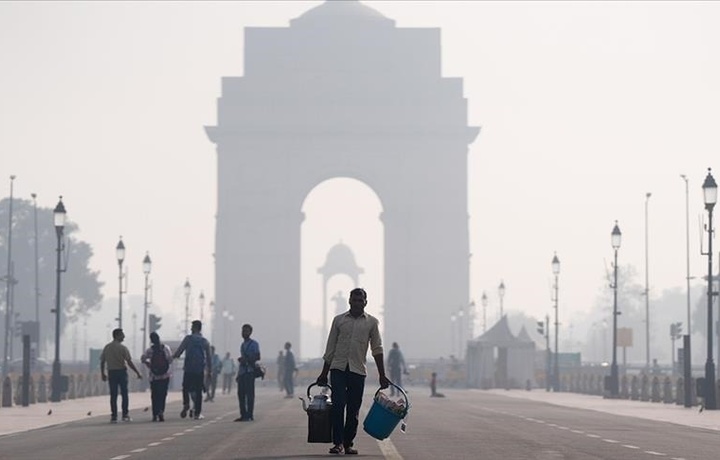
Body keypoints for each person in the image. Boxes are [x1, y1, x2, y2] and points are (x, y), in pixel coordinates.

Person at [316, 287, 389, 455]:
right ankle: (338, 443)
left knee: (353, 408)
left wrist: (382, 375)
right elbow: (330, 348)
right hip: (338, 368)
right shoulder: (338, 320)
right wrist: (323, 373)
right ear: (349, 301)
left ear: (365, 302)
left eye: (360, 300)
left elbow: (377, 349)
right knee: (338, 405)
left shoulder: (372, 322)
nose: (357, 303)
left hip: (358, 370)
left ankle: (348, 442)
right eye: (354, 300)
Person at [100, 328, 142, 423]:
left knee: (113, 395)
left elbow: (102, 361)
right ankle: (125, 414)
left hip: (111, 372)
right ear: (117, 335)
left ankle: (114, 416)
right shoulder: (123, 348)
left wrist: (103, 373)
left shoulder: (107, 347)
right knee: (124, 394)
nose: (124, 336)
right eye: (122, 334)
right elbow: (129, 362)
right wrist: (137, 372)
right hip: (121, 372)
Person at [173, 320, 212, 420]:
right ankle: (197, 413)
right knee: (198, 391)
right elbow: (208, 358)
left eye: (192, 327)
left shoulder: (188, 339)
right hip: (199, 370)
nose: (190, 329)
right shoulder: (204, 341)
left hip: (188, 368)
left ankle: (186, 403)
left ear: (194, 328)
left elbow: (179, 352)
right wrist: (210, 371)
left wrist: (172, 357)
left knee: (185, 387)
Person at [141, 331, 173, 421]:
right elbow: (170, 360)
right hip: (165, 376)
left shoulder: (150, 350)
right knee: (162, 395)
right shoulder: (166, 348)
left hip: (154, 376)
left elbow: (143, 358)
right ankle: (161, 412)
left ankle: (154, 414)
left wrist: (149, 364)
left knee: (154, 395)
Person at [235, 323, 260, 422]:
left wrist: (247, 360)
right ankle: (243, 414)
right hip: (242, 372)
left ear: (250, 332)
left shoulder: (254, 344)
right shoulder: (242, 345)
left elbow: (258, 356)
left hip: (250, 372)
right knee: (241, 394)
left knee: (249, 395)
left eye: (246, 331)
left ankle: (249, 414)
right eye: (243, 331)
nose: (243, 333)